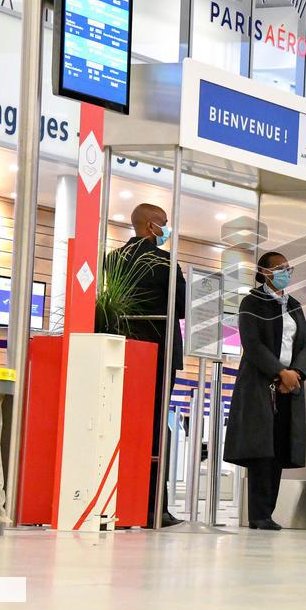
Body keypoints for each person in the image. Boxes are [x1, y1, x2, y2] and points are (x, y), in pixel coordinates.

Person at [107, 203, 186, 528]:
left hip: (121, 350)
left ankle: (118, 501)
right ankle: (155, 507)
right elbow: (181, 306)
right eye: (164, 224)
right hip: (158, 352)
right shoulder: (164, 261)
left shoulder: (111, 259)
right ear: (152, 226)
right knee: (154, 429)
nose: (167, 230)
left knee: (120, 424)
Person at [224, 251, 306, 530]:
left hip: (289, 386)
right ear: (264, 272)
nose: (285, 271)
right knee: (260, 449)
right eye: (278, 267)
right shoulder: (252, 303)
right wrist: (279, 372)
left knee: (279, 448)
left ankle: (268, 513)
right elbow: (253, 344)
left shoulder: (294, 305)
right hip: (261, 385)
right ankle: (258, 514)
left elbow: (305, 343)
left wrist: (296, 373)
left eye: (288, 267)